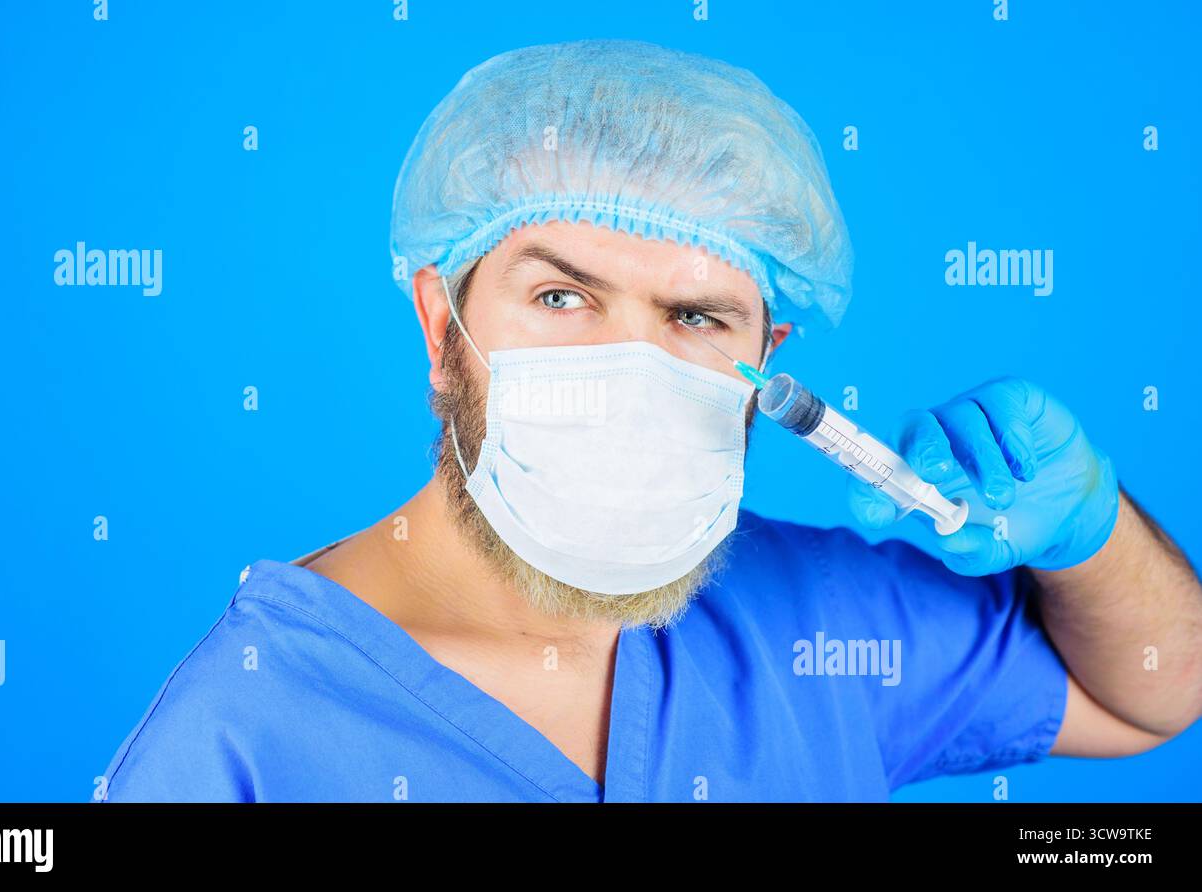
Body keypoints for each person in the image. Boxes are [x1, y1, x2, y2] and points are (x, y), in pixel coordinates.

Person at [98, 39, 1202, 802]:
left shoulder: (812, 623)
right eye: (561, 297)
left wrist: (1092, 535)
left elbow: (1154, 691)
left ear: (764, 361)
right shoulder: (243, 737)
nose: (628, 363)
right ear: (441, 327)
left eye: (693, 315)